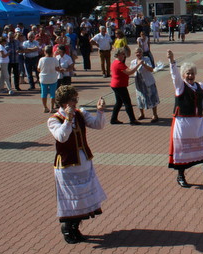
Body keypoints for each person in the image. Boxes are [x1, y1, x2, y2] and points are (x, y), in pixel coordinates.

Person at [48, 86, 106, 244]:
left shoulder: (80, 114)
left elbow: (98, 125)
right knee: (70, 198)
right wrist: (67, 119)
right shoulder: (54, 119)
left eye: (76, 99)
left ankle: (76, 227)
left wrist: (100, 111)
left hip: (84, 161)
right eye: (73, 99)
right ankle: (68, 228)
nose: (75, 102)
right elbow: (62, 137)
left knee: (83, 197)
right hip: (67, 165)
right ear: (64, 101)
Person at [167, 50, 203, 187]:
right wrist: (172, 61)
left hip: (198, 122)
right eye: (187, 73)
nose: (190, 76)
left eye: (192, 73)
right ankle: (180, 175)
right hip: (183, 122)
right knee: (182, 150)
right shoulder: (180, 86)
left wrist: (201, 108)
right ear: (183, 75)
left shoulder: (201, 86)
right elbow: (174, 76)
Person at [109, 47, 142, 125]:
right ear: (118, 55)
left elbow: (127, 69)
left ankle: (113, 119)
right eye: (123, 54)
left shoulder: (115, 63)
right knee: (127, 103)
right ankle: (132, 120)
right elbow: (129, 72)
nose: (124, 56)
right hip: (119, 86)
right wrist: (138, 65)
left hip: (116, 85)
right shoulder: (118, 64)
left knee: (119, 102)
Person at [131, 47, 159, 122]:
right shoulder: (133, 62)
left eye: (139, 52)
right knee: (139, 98)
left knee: (152, 97)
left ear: (142, 53)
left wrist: (143, 64)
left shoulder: (146, 59)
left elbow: (151, 69)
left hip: (148, 82)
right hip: (139, 82)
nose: (138, 54)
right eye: (137, 52)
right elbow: (131, 71)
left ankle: (155, 114)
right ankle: (142, 114)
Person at [38, 46, 60, 113]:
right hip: (52, 77)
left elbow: (38, 69)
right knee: (53, 93)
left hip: (44, 77)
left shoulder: (41, 59)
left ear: (45, 52)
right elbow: (57, 68)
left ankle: (45, 107)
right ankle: (52, 108)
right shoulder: (55, 59)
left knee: (43, 93)